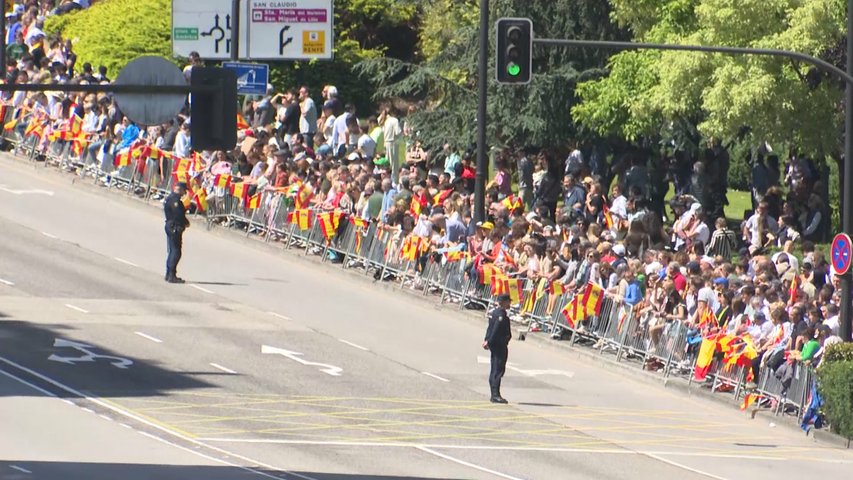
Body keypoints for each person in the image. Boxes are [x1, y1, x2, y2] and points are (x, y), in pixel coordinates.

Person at [483, 293, 512, 404]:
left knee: (495, 369)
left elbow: (489, 329)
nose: (510, 303)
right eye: (508, 301)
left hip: (495, 344)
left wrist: (487, 340)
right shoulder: (501, 314)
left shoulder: (494, 312)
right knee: (498, 369)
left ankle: (494, 394)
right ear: (504, 302)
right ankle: (495, 395)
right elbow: (495, 329)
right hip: (499, 345)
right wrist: (489, 341)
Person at [164, 182, 190, 283]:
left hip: (170, 225)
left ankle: (169, 273)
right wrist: (186, 223)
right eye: (184, 190)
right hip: (174, 226)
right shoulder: (175, 201)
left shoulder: (171, 198)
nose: (185, 193)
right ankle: (171, 275)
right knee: (176, 252)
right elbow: (178, 215)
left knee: (172, 251)